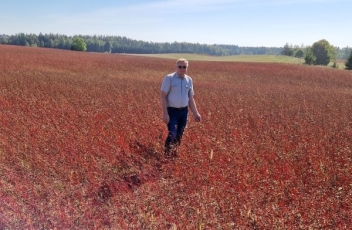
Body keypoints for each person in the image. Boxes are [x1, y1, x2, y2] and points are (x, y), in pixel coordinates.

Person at [160, 58, 201, 157]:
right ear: (176, 67)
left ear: (187, 67)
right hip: (172, 111)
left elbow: (190, 98)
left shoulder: (189, 80)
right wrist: (165, 114)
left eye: (184, 67)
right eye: (180, 67)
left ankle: (174, 154)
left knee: (179, 135)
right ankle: (166, 155)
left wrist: (196, 113)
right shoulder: (169, 78)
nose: (182, 69)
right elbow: (163, 96)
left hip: (184, 112)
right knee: (172, 133)